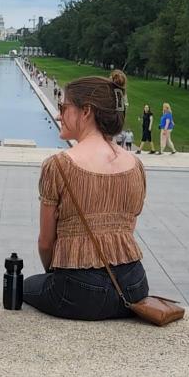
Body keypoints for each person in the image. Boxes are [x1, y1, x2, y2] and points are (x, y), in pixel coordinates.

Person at [23, 70, 150, 320]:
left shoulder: (58, 165)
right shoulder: (135, 165)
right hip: (135, 285)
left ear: (86, 111)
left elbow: (46, 242)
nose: (59, 115)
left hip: (79, 292)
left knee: (23, 286)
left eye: (64, 106)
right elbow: (128, 229)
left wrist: (55, 275)